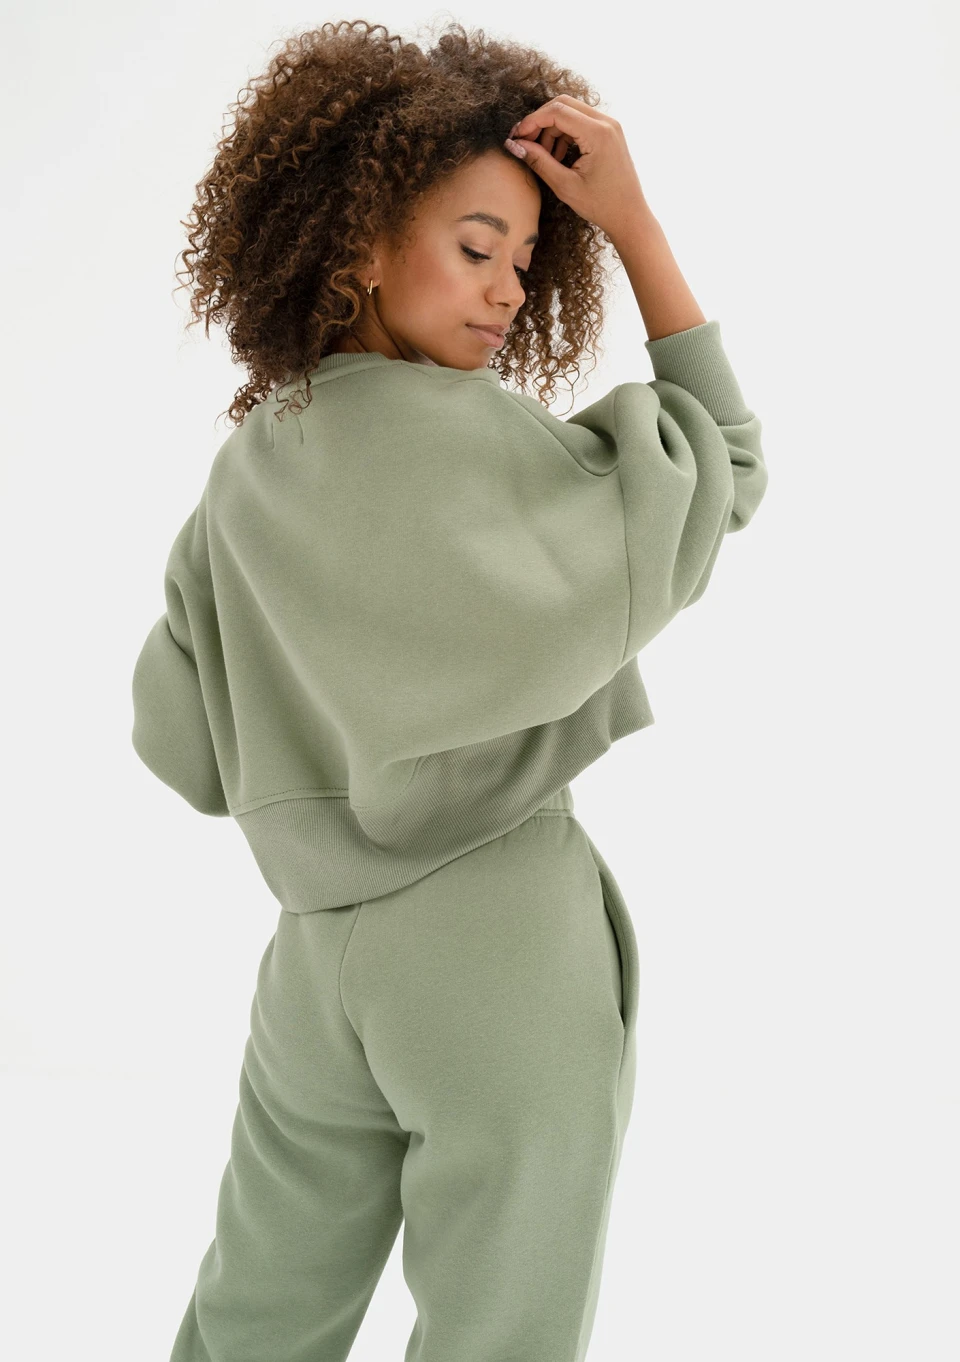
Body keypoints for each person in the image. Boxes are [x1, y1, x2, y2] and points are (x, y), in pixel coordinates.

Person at [131, 20, 768, 1362]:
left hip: (313, 969)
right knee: (501, 1331)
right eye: (478, 247)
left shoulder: (246, 470)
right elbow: (724, 468)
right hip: (497, 948)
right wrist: (635, 225)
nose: (507, 292)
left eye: (525, 263)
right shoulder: (486, 440)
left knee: (252, 1322)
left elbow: (180, 740)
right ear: (361, 242)